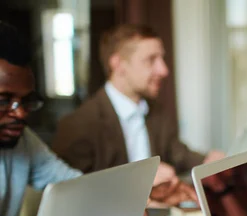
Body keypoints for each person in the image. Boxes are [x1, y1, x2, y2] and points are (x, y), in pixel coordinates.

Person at [0, 21, 150, 216]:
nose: (20, 113)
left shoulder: (23, 140)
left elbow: (70, 183)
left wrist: (121, 210)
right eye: (3, 100)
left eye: (26, 101)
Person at [52, 24, 224, 205]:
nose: (163, 70)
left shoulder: (157, 111)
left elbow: (178, 154)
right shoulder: (79, 124)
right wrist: (140, 183)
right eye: (151, 60)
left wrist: (209, 161)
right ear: (118, 65)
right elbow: (69, 195)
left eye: (161, 59)